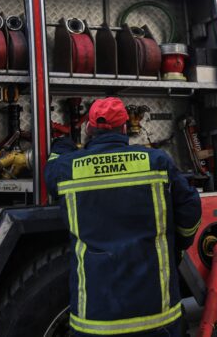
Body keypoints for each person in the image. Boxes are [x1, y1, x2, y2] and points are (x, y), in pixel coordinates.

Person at [45, 97, 202, 337]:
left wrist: (61, 145)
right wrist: (178, 245)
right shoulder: (156, 160)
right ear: (125, 128)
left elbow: (51, 171)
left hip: (95, 323)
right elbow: (190, 208)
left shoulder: (67, 168)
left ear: (89, 128)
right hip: (157, 318)